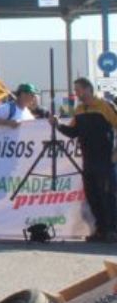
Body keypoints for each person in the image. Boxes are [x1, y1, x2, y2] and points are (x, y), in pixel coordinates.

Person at [52, 78, 117, 242]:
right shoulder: (79, 110)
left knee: (107, 196)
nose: (76, 93)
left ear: (89, 89)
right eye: (75, 90)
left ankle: (112, 230)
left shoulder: (105, 106)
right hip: (88, 160)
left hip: (105, 160)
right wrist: (58, 125)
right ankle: (101, 229)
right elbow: (73, 132)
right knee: (92, 196)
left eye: (79, 89)